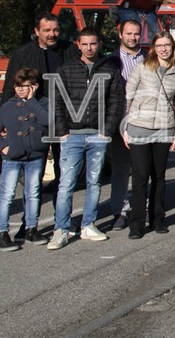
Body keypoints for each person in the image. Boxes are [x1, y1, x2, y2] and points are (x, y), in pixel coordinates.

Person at [47, 28, 125, 250]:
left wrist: (106, 131)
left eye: (93, 44)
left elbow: (116, 103)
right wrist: (63, 132)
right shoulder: (66, 70)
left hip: (97, 136)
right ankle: (61, 229)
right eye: (85, 44)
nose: (89, 48)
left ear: (99, 44)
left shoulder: (109, 70)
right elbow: (57, 101)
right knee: (66, 184)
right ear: (78, 45)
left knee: (94, 183)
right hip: (71, 136)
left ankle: (88, 225)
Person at [1, 11, 78, 188]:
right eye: (47, 30)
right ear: (37, 31)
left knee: (65, 174)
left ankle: (62, 214)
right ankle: (30, 214)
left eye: (56, 30)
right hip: (33, 118)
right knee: (33, 173)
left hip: (63, 118)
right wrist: (5, 119)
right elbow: (8, 88)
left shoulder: (71, 50)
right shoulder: (22, 54)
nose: (52, 34)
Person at [123, 32, 175, 238]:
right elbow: (128, 97)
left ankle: (158, 218)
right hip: (139, 127)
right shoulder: (141, 67)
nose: (163, 49)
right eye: (159, 45)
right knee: (140, 176)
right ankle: (137, 223)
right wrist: (124, 127)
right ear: (153, 47)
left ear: (172, 47)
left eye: (167, 45)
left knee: (159, 176)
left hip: (164, 129)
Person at [0, 68, 51, 250]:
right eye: (18, 86)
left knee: (33, 193)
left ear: (35, 86)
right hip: (12, 158)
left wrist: (32, 101)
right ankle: (1, 232)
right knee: (6, 195)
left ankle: (31, 229)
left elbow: (47, 120)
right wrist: (4, 147)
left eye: (26, 86)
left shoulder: (44, 103)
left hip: (36, 157)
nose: (21, 90)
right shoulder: (8, 106)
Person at [107, 19, 145, 230]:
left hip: (145, 121)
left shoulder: (149, 58)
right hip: (120, 121)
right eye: (129, 33)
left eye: (137, 34)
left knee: (142, 169)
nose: (133, 37)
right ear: (120, 33)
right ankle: (119, 211)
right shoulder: (111, 61)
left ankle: (142, 208)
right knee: (121, 169)